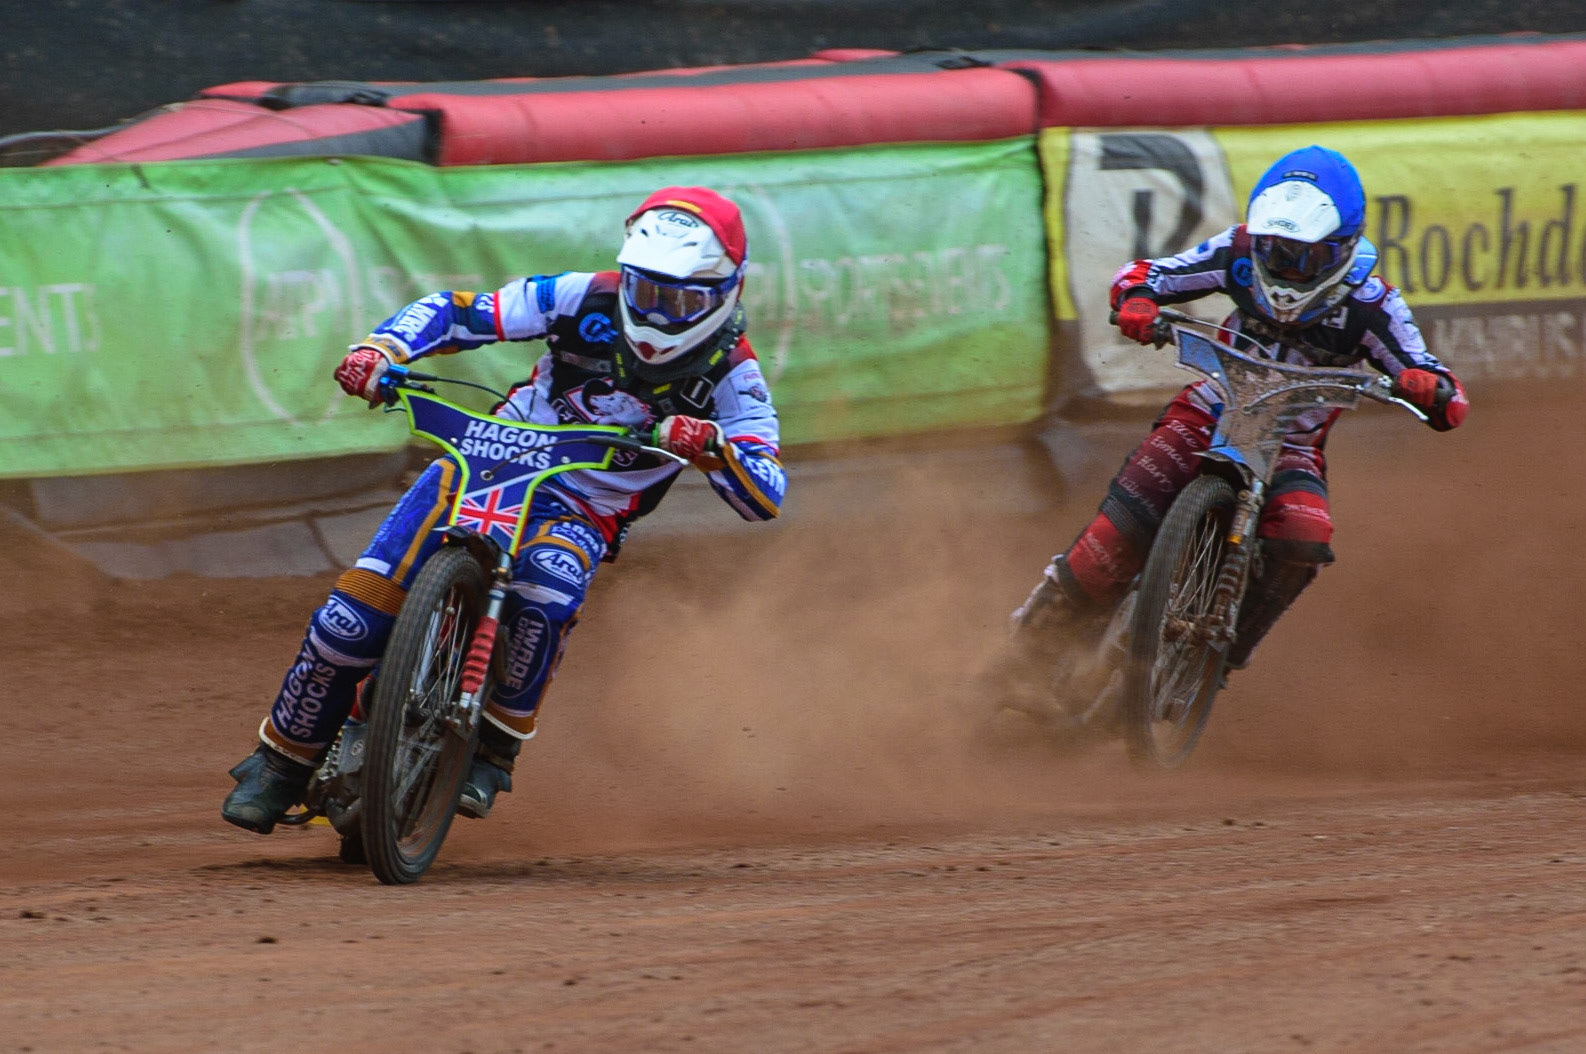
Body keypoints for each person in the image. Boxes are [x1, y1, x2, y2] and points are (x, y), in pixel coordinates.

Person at [223, 186, 785, 834]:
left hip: (584, 501)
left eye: (680, 299)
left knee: (547, 591)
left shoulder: (734, 375)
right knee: (353, 616)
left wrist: (716, 447)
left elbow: (767, 488)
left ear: (723, 294)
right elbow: (461, 312)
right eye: (647, 291)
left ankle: (493, 748)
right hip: (488, 457)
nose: (658, 311)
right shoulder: (579, 296)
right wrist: (382, 352)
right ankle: (279, 763)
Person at [1002, 145, 1467, 704]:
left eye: (1306, 257)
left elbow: (1440, 383)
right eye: (1277, 251)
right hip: (1207, 413)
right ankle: (1018, 664)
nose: (1288, 269)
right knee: (1111, 542)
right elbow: (1148, 275)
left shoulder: (1373, 304)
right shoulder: (1239, 252)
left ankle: (1218, 656)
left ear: (1342, 248)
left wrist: (1429, 388)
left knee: (1302, 537)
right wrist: (1137, 301)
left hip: (1290, 445)